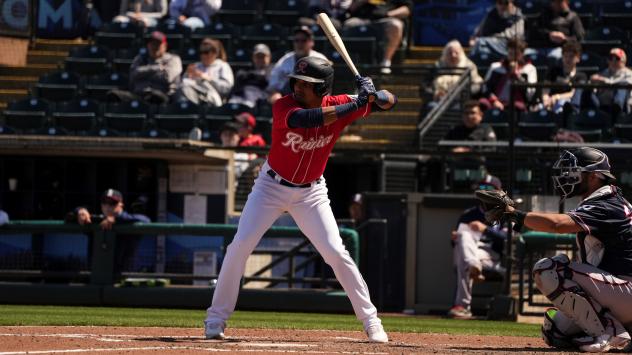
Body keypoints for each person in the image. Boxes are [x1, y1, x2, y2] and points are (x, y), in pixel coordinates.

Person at [204, 56, 397, 343]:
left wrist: (373, 92)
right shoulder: (285, 106)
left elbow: (389, 102)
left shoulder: (341, 103)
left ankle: (372, 321)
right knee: (239, 246)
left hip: (311, 193)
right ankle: (215, 320)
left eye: (306, 84)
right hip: (270, 186)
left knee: (335, 252)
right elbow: (307, 119)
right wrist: (358, 102)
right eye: (297, 81)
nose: (297, 87)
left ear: (322, 89)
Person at [478, 147, 632, 352]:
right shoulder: (604, 201)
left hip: (625, 288)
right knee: (555, 331)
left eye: (575, 172)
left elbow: (557, 224)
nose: (567, 177)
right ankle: (624, 330)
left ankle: (611, 332)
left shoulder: (607, 204)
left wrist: (515, 214)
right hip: (617, 290)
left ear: (595, 176)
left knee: (550, 269)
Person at [447, 175, 507, 320]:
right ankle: (473, 266)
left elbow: (507, 239)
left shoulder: (505, 214)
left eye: (489, 188)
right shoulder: (468, 215)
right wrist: (454, 239)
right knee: (463, 239)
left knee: (464, 261)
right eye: (482, 188)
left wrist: (484, 229)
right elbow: (455, 245)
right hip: (473, 253)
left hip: (493, 257)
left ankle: (462, 307)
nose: (484, 192)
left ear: (499, 191)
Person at [108, 31, 182, 104]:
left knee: (155, 97)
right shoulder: (141, 58)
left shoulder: (173, 59)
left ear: (165, 45)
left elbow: (167, 77)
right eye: (151, 43)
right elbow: (133, 75)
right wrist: (157, 68)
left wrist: (143, 73)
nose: (154, 46)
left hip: (161, 95)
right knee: (114, 95)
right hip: (138, 95)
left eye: (157, 44)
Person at [344, 0, 413, 74]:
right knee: (348, 24)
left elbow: (407, 10)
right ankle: (348, 63)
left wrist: (387, 14)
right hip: (363, 19)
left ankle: (386, 62)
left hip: (386, 19)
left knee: (396, 25)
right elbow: (351, 9)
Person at [267, 26, 328, 104]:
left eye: (303, 40)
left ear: (311, 42)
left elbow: (326, 87)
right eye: (297, 40)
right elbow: (273, 83)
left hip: (313, 100)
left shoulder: (320, 60)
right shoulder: (285, 61)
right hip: (289, 99)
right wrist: (275, 94)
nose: (300, 43)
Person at [480, 38, 537, 112]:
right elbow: (485, 88)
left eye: (516, 54)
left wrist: (517, 75)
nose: (513, 57)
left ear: (522, 54)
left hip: (517, 103)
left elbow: (530, 93)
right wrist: (494, 100)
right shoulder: (496, 67)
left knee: (516, 106)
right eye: (510, 53)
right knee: (482, 103)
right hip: (496, 102)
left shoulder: (529, 68)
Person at [177, 38, 233, 106]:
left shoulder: (222, 66)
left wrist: (206, 78)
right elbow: (182, 84)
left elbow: (226, 88)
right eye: (201, 52)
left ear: (215, 52)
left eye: (206, 52)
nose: (203, 55)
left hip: (213, 98)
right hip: (193, 95)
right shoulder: (195, 66)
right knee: (184, 86)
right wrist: (188, 75)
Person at [584, 48, 632, 117]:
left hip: (622, 107)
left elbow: (627, 83)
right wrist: (593, 82)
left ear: (624, 61)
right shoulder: (603, 73)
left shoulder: (629, 73)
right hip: (602, 105)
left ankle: (617, 113)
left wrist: (606, 81)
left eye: (617, 59)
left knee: (622, 87)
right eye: (610, 58)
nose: (613, 61)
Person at [542, 39, 586, 114]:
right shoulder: (553, 71)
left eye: (571, 56)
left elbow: (574, 93)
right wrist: (546, 101)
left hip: (568, 105)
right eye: (565, 56)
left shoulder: (581, 76)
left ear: (578, 58)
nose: (568, 59)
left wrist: (557, 97)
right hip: (550, 103)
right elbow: (546, 89)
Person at [228, 43, 273, 108]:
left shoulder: (274, 70)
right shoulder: (246, 70)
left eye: (262, 56)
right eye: (258, 56)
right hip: (242, 97)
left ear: (269, 57)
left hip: (260, 98)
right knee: (232, 103)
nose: (260, 59)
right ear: (253, 57)